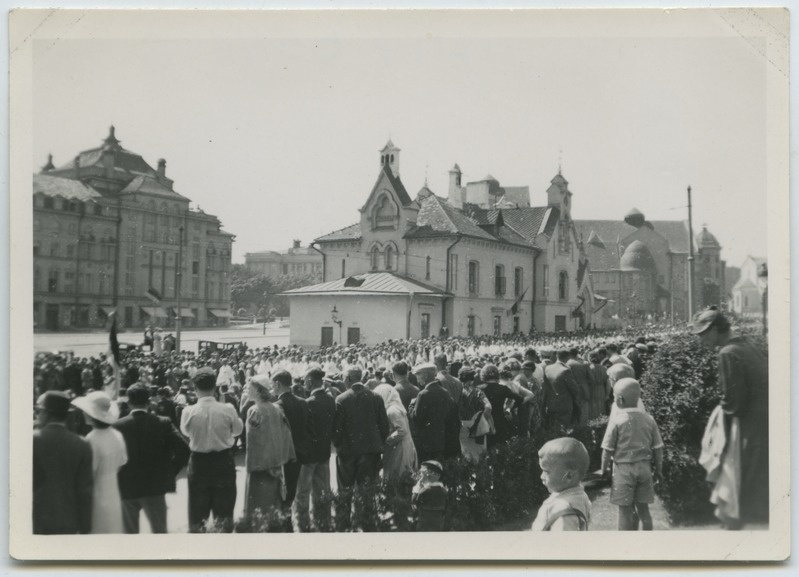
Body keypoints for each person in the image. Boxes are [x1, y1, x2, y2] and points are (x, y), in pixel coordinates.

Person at [692, 307, 769, 527]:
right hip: (762, 425)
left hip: (747, 429)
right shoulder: (748, 346)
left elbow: (733, 402)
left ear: (716, 330)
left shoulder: (728, 352)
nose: (702, 341)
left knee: (735, 490)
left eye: (704, 335)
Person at [113, 384, 190, 534]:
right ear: (149, 402)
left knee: (130, 536)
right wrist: (168, 473)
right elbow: (184, 450)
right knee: (159, 533)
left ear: (128, 403)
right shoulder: (163, 422)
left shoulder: (118, 426)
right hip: (155, 486)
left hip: (127, 486)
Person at [180, 367, 244, 533]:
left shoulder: (188, 411)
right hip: (223, 462)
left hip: (199, 463)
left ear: (195, 389)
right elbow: (238, 430)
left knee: (197, 514)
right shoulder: (227, 409)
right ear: (215, 388)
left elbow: (185, 432)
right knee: (224, 513)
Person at [601, 378, 664, 531]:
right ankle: (647, 542)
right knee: (644, 510)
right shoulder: (649, 420)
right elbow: (658, 448)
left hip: (623, 470)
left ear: (619, 400)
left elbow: (607, 449)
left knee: (624, 511)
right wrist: (659, 471)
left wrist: (604, 470)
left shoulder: (617, 421)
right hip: (644, 468)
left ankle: (625, 545)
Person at [33, 391, 94, 534]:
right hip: (68, 521)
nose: (37, 415)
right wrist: (86, 528)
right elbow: (85, 491)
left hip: (34, 520)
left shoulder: (31, 441)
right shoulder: (82, 444)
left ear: (45, 413)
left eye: (38, 411)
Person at [71, 391, 128, 534]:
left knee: (98, 528)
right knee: (112, 527)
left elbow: (89, 472)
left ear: (91, 415)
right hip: (113, 489)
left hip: (97, 492)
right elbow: (122, 461)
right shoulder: (117, 435)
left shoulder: (92, 438)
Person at [243, 375, 296, 520]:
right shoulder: (277, 409)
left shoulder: (254, 410)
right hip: (276, 467)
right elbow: (286, 438)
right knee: (273, 510)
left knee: (258, 512)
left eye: (250, 387)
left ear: (259, 390)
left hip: (259, 469)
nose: (247, 390)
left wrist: (251, 468)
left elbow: (251, 443)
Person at [332, 367, 390, 489]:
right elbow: (384, 426)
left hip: (347, 451)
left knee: (345, 491)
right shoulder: (376, 397)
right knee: (367, 490)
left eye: (343, 378)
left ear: (348, 379)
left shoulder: (341, 399)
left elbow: (337, 429)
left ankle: (345, 509)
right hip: (370, 451)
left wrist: (338, 445)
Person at [295, 367, 336, 532]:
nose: (304, 384)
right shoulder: (330, 399)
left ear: (310, 382)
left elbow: (304, 430)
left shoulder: (308, 402)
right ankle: (323, 522)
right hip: (324, 453)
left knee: (303, 492)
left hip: (308, 456)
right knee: (322, 490)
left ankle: (303, 524)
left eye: (305, 381)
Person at [273, 369, 316, 511]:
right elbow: (309, 428)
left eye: (273, 384)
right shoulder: (303, 402)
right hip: (301, 454)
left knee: (284, 496)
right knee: (297, 494)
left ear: (277, 384)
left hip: (284, 456)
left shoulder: (277, 405)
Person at [531, 437, 591, 531]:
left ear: (569, 476)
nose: (541, 476)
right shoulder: (580, 496)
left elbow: (562, 544)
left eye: (546, 471)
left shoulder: (563, 510)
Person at [408, 364, 461, 462]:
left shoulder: (423, 394)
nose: (417, 378)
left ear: (426, 376)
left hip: (428, 443)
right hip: (442, 441)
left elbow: (417, 419)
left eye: (418, 375)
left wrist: (411, 406)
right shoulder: (444, 392)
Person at [374, 384, 418, 490]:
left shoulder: (392, 410)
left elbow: (401, 431)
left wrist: (386, 441)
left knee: (398, 477)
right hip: (400, 446)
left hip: (400, 448)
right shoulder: (393, 407)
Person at [478, 364, 522, 448]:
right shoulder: (503, 388)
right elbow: (519, 399)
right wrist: (508, 409)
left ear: (483, 375)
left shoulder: (479, 388)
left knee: (486, 447)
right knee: (500, 447)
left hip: (484, 421)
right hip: (500, 420)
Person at [457, 367, 492, 463]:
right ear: (472, 379)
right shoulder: (478, 392)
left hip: (462, 427)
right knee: (480, 457)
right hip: (477, 428)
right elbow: (488, 406)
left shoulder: (458, 392)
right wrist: (481, 420)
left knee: (466, 456)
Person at [543, 349, 583, 432]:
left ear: (557, 356)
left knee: (553, 428)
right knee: (563, 429)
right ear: (568, 357)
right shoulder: (565, 370)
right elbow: (574, 389)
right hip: (564, 404)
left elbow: (545, 387)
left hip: (551, 403)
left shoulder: (548, 368)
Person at [412, 460, 448, 532]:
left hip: (424, 525)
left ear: (428, 474)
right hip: (439, 525)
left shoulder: (424, 491)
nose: (420, 477)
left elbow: (414, 503)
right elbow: (446, 507)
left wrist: (418, 486)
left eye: (422, 474)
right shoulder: (444, 491)